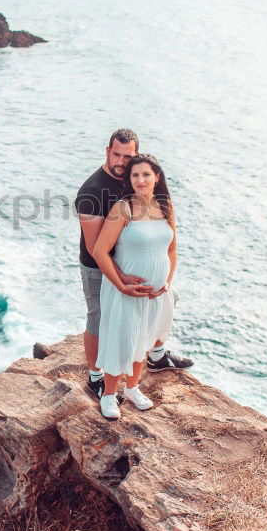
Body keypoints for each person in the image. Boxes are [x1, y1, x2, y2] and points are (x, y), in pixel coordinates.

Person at [75, 130, 192, 403]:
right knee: (99, 318)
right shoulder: (91, 192)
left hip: (134, 257)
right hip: (97, 265)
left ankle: (156, 355)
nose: (121, 161)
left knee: (159, 306)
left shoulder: (139, 183)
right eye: (116, 154)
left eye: (127, 157)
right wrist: (120, 279)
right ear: (107, 151)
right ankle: (96, 377)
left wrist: (162, 275)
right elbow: (96, 250)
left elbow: (166, 239)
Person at [92, 153, 177, 418]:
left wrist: (167, 282)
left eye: (146, 174)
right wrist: (121, 285)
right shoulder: (123, 208)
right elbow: (100, 251)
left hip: (156, 293)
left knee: (146, 336)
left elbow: (172, 249)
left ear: (157, 178)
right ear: (129, 180)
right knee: (121, 338)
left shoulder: (165, 207)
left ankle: (132, 388)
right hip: (124, 291)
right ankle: (108, 395)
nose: (141, 180)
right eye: (135, 175)